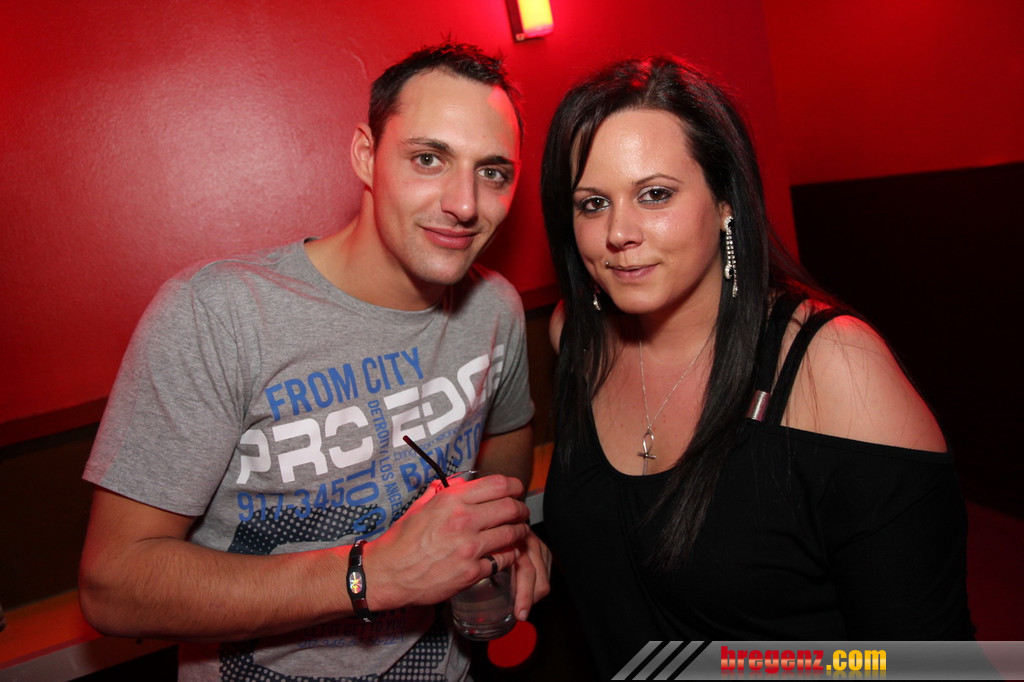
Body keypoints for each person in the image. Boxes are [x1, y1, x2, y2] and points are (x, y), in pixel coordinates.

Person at [79, 42, 550, 681]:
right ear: (366, 156)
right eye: (428, 159)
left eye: (492, 172)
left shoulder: (495, 308)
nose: (465, 203)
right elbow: (112, 586)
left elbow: (509, 434)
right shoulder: (219, 314)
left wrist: (500, 531)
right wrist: (371, 575)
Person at [540, 55, 973, 677]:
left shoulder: (833, 366)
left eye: (655, 194)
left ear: (725, 203)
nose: (619, 232)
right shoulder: (576, 338)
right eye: (592, 203)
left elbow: (929, 662)